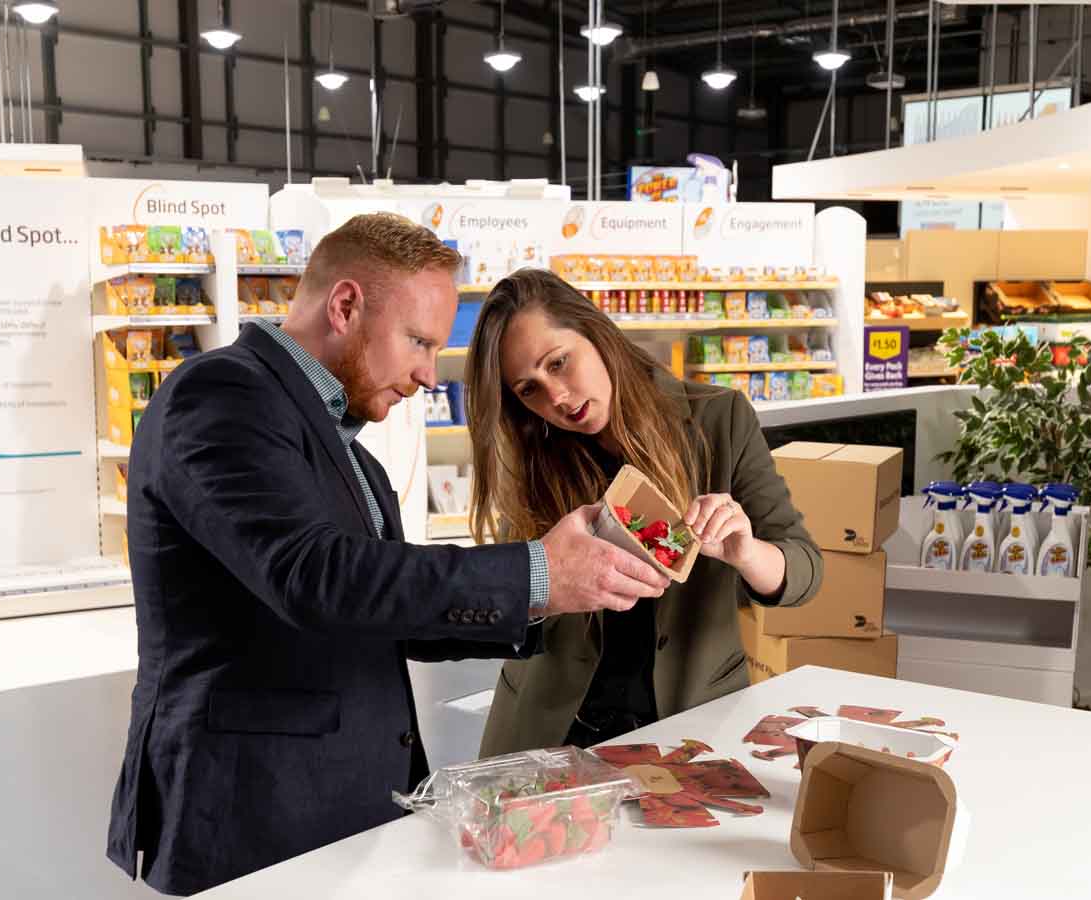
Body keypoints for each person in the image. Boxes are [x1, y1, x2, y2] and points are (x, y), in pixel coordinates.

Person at [106, 215, 670, 896]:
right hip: (252, 811)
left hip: (349, 805)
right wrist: (535, 569)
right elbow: (311, 576)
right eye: (419, 342)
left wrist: (551, 594)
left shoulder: (354, 458)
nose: (429, 375)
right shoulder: (221, 397)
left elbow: (387, 614)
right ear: (345, 306)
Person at [467, 268, 824, 756]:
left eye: (559, 363)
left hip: (693, 726)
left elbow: (805, 571)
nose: (559, 398)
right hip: (555, 731)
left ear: (595, 331)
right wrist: (542, 583)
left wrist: (747, 553)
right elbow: (512, 610)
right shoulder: (533, 456)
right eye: (529, 389)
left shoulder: (719, 419)